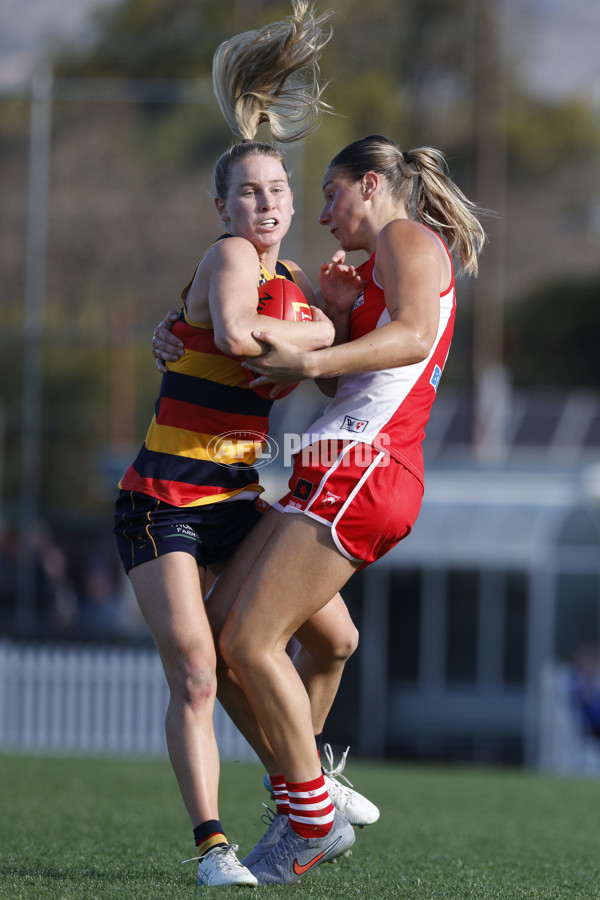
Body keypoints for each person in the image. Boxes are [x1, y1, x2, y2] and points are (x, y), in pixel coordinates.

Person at [114, 1, 376, 888]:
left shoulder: (300, 282)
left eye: (276, 192)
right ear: (223, 205)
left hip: (234, 495)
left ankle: (305, 788)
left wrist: (333, 325)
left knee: (333, 638)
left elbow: (334, 376)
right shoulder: (231, 257)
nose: (264, 205)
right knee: (196, 669)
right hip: (164, 499)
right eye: (247, 193)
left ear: (292, 203)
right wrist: (314, 349)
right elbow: (231, 336)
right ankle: (215, 848)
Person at [204, 134, 487, 884]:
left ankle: (310, 818)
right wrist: (336, 314)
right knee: (222, 638)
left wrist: (314, 357)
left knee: (249, 641)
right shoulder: (369, 272)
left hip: (366, 468)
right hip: (335, 466)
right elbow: (358, 376)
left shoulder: (405, 235)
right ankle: (307, 794)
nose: (322, 213)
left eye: (330, 194)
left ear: (370, 186)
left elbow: (416, 336)